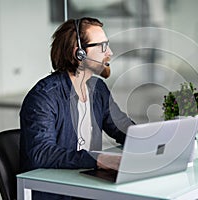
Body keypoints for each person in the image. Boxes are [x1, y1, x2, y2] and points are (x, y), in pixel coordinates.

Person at [20, 17, 134, 200]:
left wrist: (156, 140)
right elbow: (41, 153)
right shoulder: (44, 96)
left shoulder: (98, 89)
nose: (110, 53)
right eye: (102, 46)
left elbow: (121, 127)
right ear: (79, 53)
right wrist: (98, 159)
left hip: (87, 186)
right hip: (56, 192)